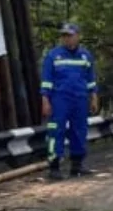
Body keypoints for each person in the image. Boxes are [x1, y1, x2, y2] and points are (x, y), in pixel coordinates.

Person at [40, 23, 99, 180]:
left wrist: (93, 97)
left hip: (79, 99)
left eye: (70, 35)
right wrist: (45, 100)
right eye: (64, 36)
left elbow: (90, 79)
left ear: (78, 36)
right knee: (56, 130)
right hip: (59, 99)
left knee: (79, 130)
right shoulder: (53, 56)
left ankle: (77, 165)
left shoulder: (85, 56)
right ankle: (54, 166)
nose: (67, 39)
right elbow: (46, 80)